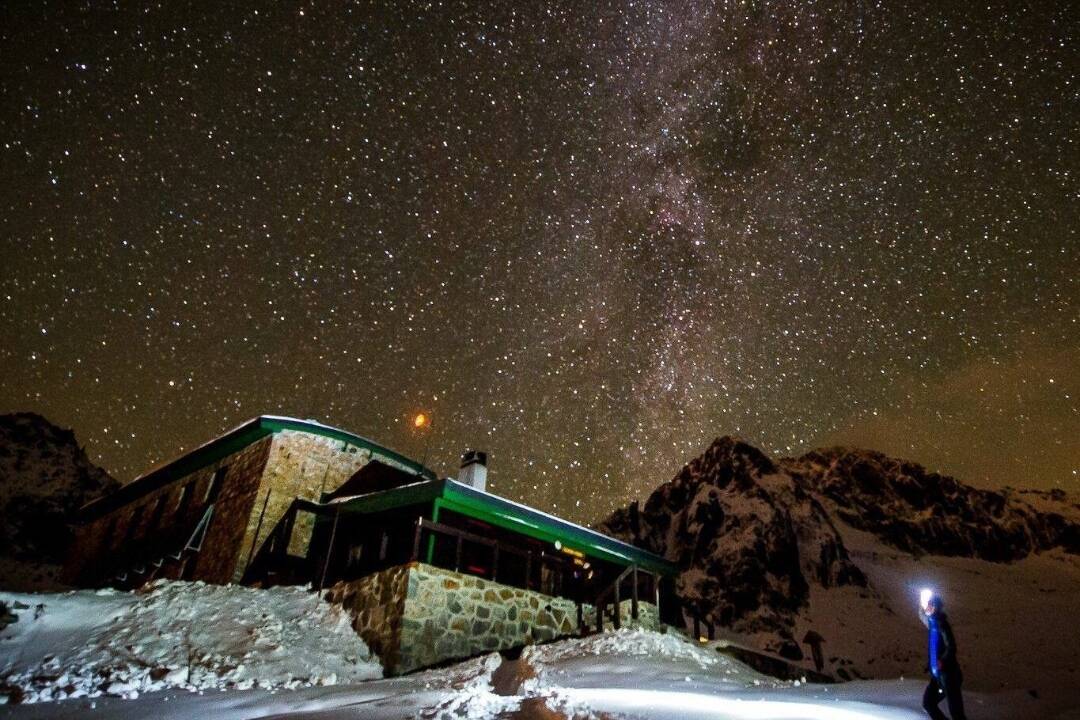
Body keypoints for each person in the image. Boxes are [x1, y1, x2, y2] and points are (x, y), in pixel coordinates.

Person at [919, 591, 967, 720]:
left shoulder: (941, 624)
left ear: (934, 606)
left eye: (929, 605)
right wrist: (921, 599)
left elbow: (952, 646)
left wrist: (942, 661)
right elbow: (922, 615)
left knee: (957, 713)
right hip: (938, 676)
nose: (926, 608)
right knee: (928, 703)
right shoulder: (932, 622)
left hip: (949, 675)